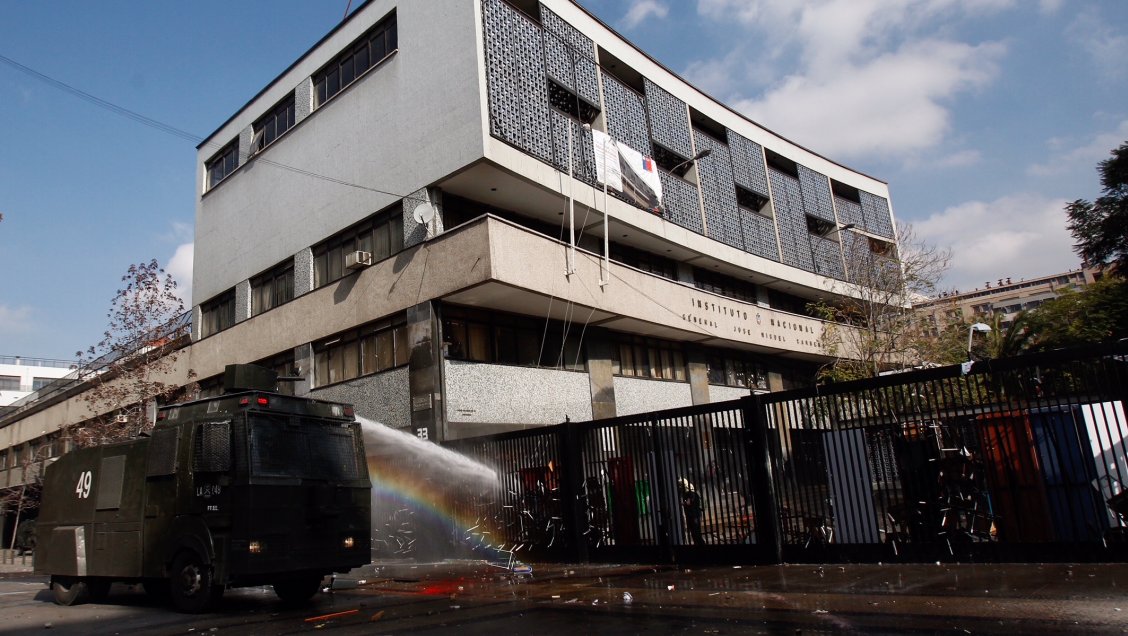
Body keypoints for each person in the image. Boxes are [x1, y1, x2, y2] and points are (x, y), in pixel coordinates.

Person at [678, 478, 704, 546]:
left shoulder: (691, 494)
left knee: (696, 533)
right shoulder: (688, 494)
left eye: (681, 486)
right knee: (694, 533)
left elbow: (688, 503)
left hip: (695, 515)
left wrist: (681, 503)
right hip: (692, 515)